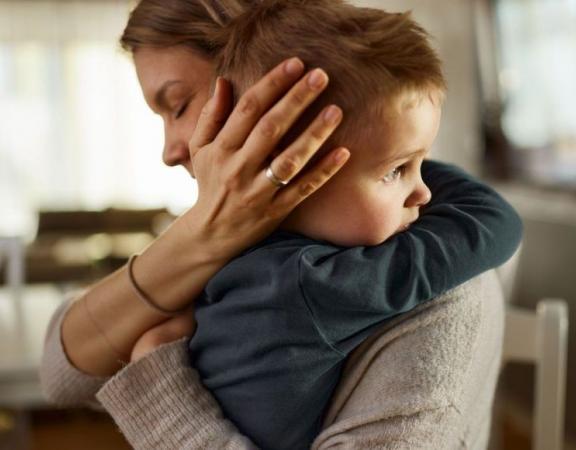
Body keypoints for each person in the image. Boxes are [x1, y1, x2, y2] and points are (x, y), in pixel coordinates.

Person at [39, 0, 521, 448]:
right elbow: (62, 372)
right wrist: (201, 236)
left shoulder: (433, 274)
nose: (169, 151)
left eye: (179, 105)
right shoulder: (260, 239)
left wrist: (160, 390)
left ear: (276, 99)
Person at [186, 2, 520, 449]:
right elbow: (494, 220)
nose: (423, 192)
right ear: (300, 176)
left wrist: (398, 150)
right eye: (395, 171)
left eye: (420, 165)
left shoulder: (236, 255)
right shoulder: (321, 284)